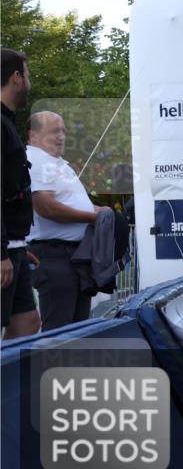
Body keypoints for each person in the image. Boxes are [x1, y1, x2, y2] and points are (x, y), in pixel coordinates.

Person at [25, 111, 109, 331]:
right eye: (54, 131)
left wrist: (97, 209)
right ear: (33, 136)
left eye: (63, 131)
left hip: (73, 257)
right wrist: (92, 217)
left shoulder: (56, 163)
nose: (61, 136)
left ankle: (66, 367)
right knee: (58, 335)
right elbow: (45, 206)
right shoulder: (36, 159)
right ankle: (47, 367)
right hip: (54, 256)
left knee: (76, 332)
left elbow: (66, 200)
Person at [1, 49, 40, 339]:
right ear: (16, 78)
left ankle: (10, 384)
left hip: (13, 247)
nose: (29, 82)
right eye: (27, 76)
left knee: (27, 323)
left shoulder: (8, 122)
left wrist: (16, 244)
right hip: (3, 252)